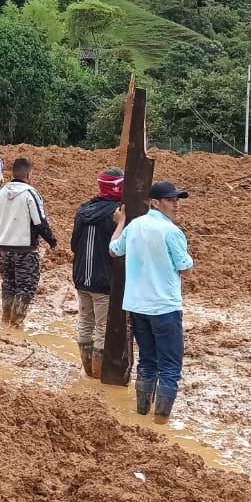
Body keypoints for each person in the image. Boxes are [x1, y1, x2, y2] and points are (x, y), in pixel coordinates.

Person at [109, 182, 195, 422]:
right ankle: (160, 422)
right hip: (165, 307)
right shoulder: (172, 232)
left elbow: (114, 250)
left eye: (177, 199)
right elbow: (186, 269)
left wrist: (119, 224)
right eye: (170, 200)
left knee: (147, 360)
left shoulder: (135, 226)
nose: (176, 204)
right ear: (155, 202)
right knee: (169, 366)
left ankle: (142, 414)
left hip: (138, 306)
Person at [0, 157, 58, 327]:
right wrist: (52, 241)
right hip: (25, 250)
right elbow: (40, 222)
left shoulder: (0, 193)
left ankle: (5, 320)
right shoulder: (30, 194)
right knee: (26, 286)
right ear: (29, 174)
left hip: (3, 248)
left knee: (8, 284)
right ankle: (16, 324)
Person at [71, 167, 124, 378]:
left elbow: (74, 245)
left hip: (81, 277)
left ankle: (88, 371)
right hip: (104, 281)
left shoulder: (83, 210)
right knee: (103, 328)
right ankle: (99, 375)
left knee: (85, 322)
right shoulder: (118, 213)